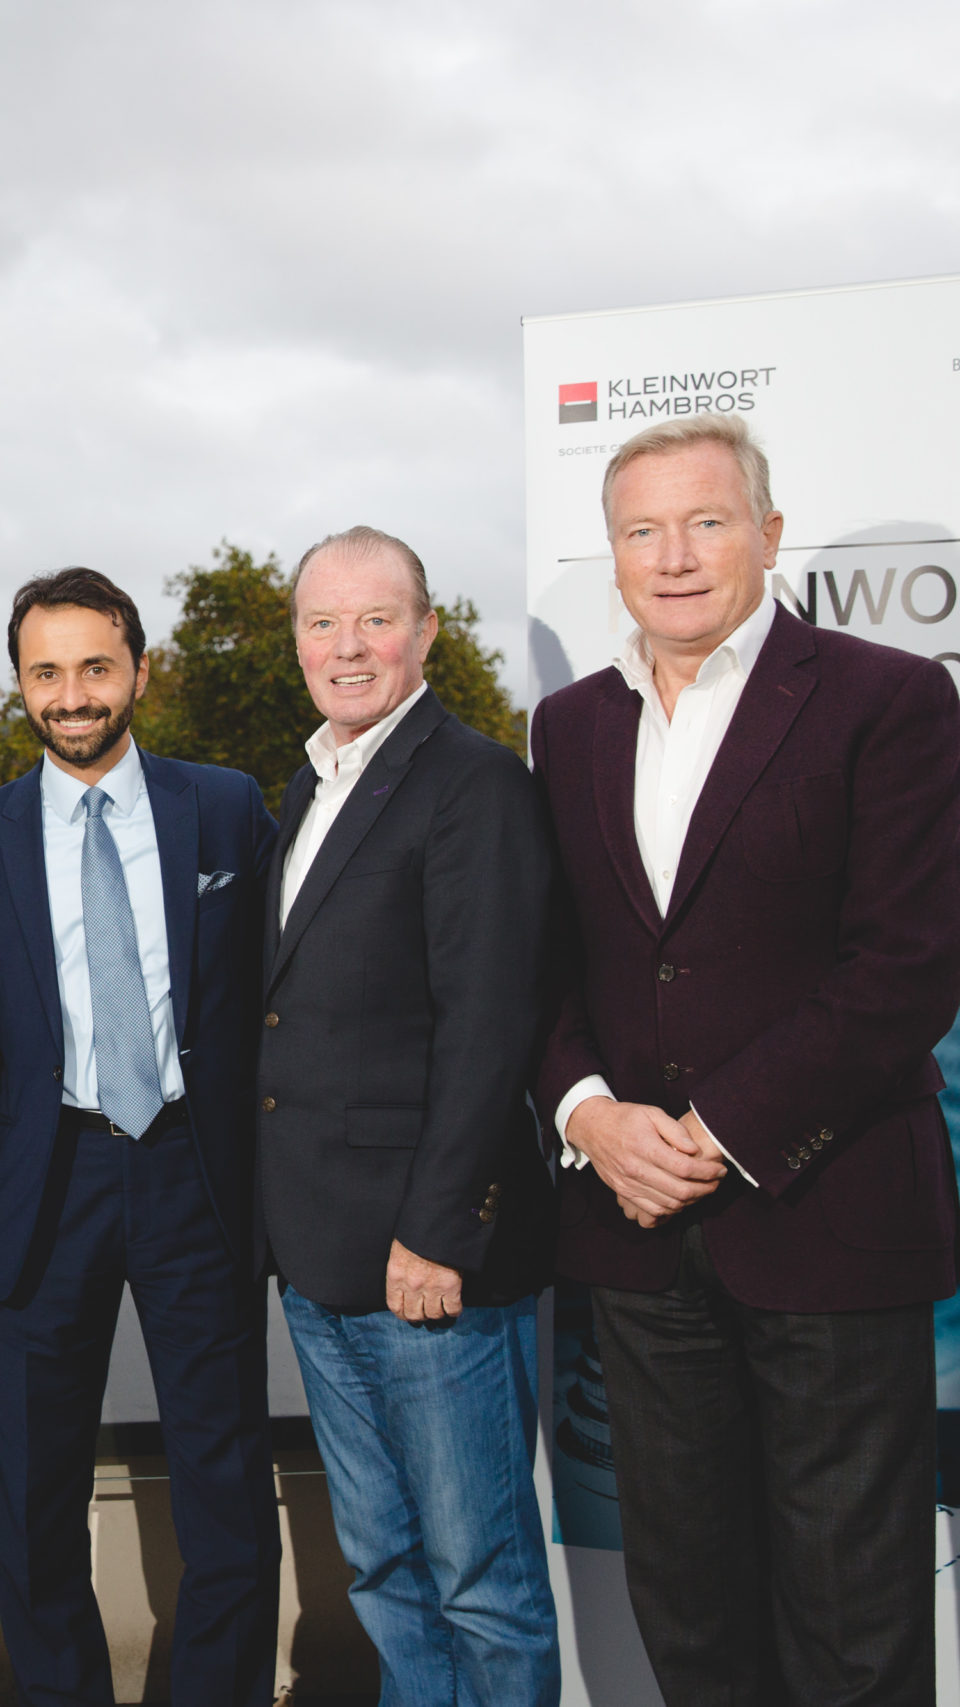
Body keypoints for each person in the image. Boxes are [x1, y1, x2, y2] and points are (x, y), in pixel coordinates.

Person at [533, 414, 960, 1704]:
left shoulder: (883, 699)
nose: (673, 556)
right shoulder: (567, 727)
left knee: (853, 1614)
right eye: (641, 530)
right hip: (629, 1230)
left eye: (706, 522)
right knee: (688, 1605)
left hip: (827, 1218)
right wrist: (589, 1115)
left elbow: (903, 971)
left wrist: (712, 1131)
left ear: (769, 536)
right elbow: (545, 965)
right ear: (612, 555)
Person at [0, 568, 283, 1707]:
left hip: (198, 1172)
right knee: (36, 1493)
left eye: (95, 666)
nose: (73, 693)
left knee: (224, 1479)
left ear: (138, 669)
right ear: (21, 686)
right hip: (45, 1185)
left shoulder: (225, 807)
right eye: (47, 672)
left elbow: (284, 996)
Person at [256, 526, 560, 1704]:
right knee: (382, 1566)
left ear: (425, 632)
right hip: (322, 1256)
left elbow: (492, 1025)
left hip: (426, 1265)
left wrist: (439, 1230)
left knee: (480, 1577)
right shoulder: (311, 784)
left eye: (374, 619)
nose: (347, 646)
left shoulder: (472, 782)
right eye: (322, 623)